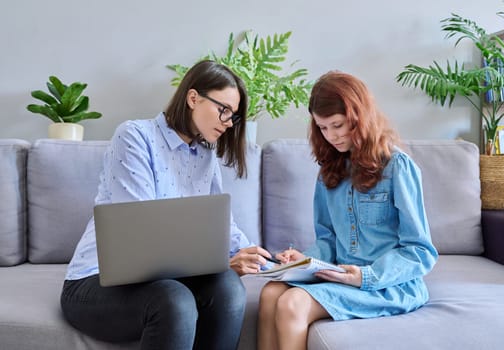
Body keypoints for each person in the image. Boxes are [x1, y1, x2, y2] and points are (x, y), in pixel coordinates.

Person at [61, 60, 275, 350]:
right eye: (223, 110)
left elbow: (220, 224)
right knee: (175, 301)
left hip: (164, 283)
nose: (227, 122)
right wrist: (222, 261)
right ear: (193, 98)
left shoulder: (205, 155)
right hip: (97, 281)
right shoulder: (135, 136)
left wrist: (260, 259)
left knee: (227, 288)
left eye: (233, 116)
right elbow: (140, 235)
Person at [257, 71, 439, 350]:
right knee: (271, 293)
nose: (331, 136)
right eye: (322, 128)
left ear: (359, 116)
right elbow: (328, 239)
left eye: (337, 125)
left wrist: (365, 276)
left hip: (387, 285)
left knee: (293, 303)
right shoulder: (330, 171)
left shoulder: (397, 167)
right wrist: (302, 260)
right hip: (340, 276)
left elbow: (420, 251)